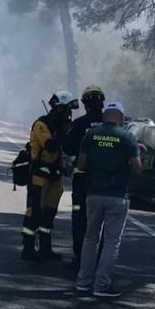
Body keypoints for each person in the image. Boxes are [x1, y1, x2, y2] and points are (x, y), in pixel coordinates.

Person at [75, 101, 142, 298]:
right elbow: (137, 168)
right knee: (111, 241)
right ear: (121, 117)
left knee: (90, 238)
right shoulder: (128, 137)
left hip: (93, 193)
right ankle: (101, 285)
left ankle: (83, 281)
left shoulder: (90, 135)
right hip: (117, 195)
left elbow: (81, 163)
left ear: (105, 116)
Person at [21, 91, 78, 262]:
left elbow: (69, 148)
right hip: (39, 175)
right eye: (66, 110)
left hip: (55, 176)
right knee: (34, 213)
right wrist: (62, 133)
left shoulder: (61, 126)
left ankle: (45, 249)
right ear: (57, 108)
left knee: (49, 214)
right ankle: (28, 248)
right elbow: (50, 146)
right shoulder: (41, 125)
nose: (68, 114)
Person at [63, 85, 105, 260]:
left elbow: (68, 148)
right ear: (102, 102)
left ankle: (80, 256)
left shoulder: (79, 125)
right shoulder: (114, 126)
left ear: (84, 104)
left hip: (82, 181)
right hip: (106, 182)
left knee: (80, 217)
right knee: (103, 222)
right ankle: (100, 258)